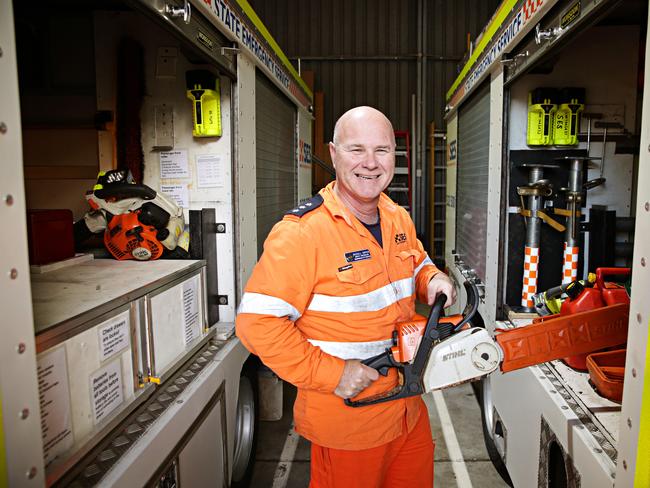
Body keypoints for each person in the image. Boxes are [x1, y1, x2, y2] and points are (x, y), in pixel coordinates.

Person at [236, 106, 456, 487]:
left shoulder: (395, 215)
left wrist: (432, 278)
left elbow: (416, 263)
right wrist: (335, 375)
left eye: (382, 151)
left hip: (408, 409)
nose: (370, 164)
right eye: (356, 150)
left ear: (394, 156)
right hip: (351, 421)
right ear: (334, 154)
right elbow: (257, 325)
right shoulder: (303, 234)